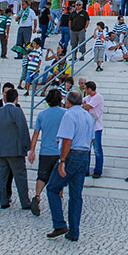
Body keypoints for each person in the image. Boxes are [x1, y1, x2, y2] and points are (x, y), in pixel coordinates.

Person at [45, 90, 96, 241]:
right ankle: (74, 231)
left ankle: (59, 223)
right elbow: (91, 139)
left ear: (68, 102)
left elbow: (67, 139)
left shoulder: (69, 115)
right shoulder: (88, 116)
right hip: (84, 154)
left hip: (71, 155)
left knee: (52, 187)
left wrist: (62, 161)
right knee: (76, 195)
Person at [0, 87, 32, 210]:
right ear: (16, 98)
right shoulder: (17, 111)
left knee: (2, 176)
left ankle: (3, 200)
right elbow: (23, 129)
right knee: (20, 176)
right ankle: (25, 202)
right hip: (15, 150)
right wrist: (27, 146)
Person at [28, 89, 66, 216]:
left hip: (45, 150)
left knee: (42, 176)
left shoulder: (42, 114)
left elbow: (35, 134)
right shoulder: (65, 114)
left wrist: (32, 150)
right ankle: (59, 199)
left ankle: (37, 196)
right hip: (59, 151)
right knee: (59, 176)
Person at [81, 81, 104, 178]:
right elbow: (82, 101)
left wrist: (81, 106)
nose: (85, 90)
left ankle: (98, 170)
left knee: (97, 149)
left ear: (90, 89)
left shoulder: (98, 97)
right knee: (87, 148)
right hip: (88, 127)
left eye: (86, 89)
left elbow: (87, 106)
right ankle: (85, 169)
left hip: (96, 127)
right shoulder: (89, 97)